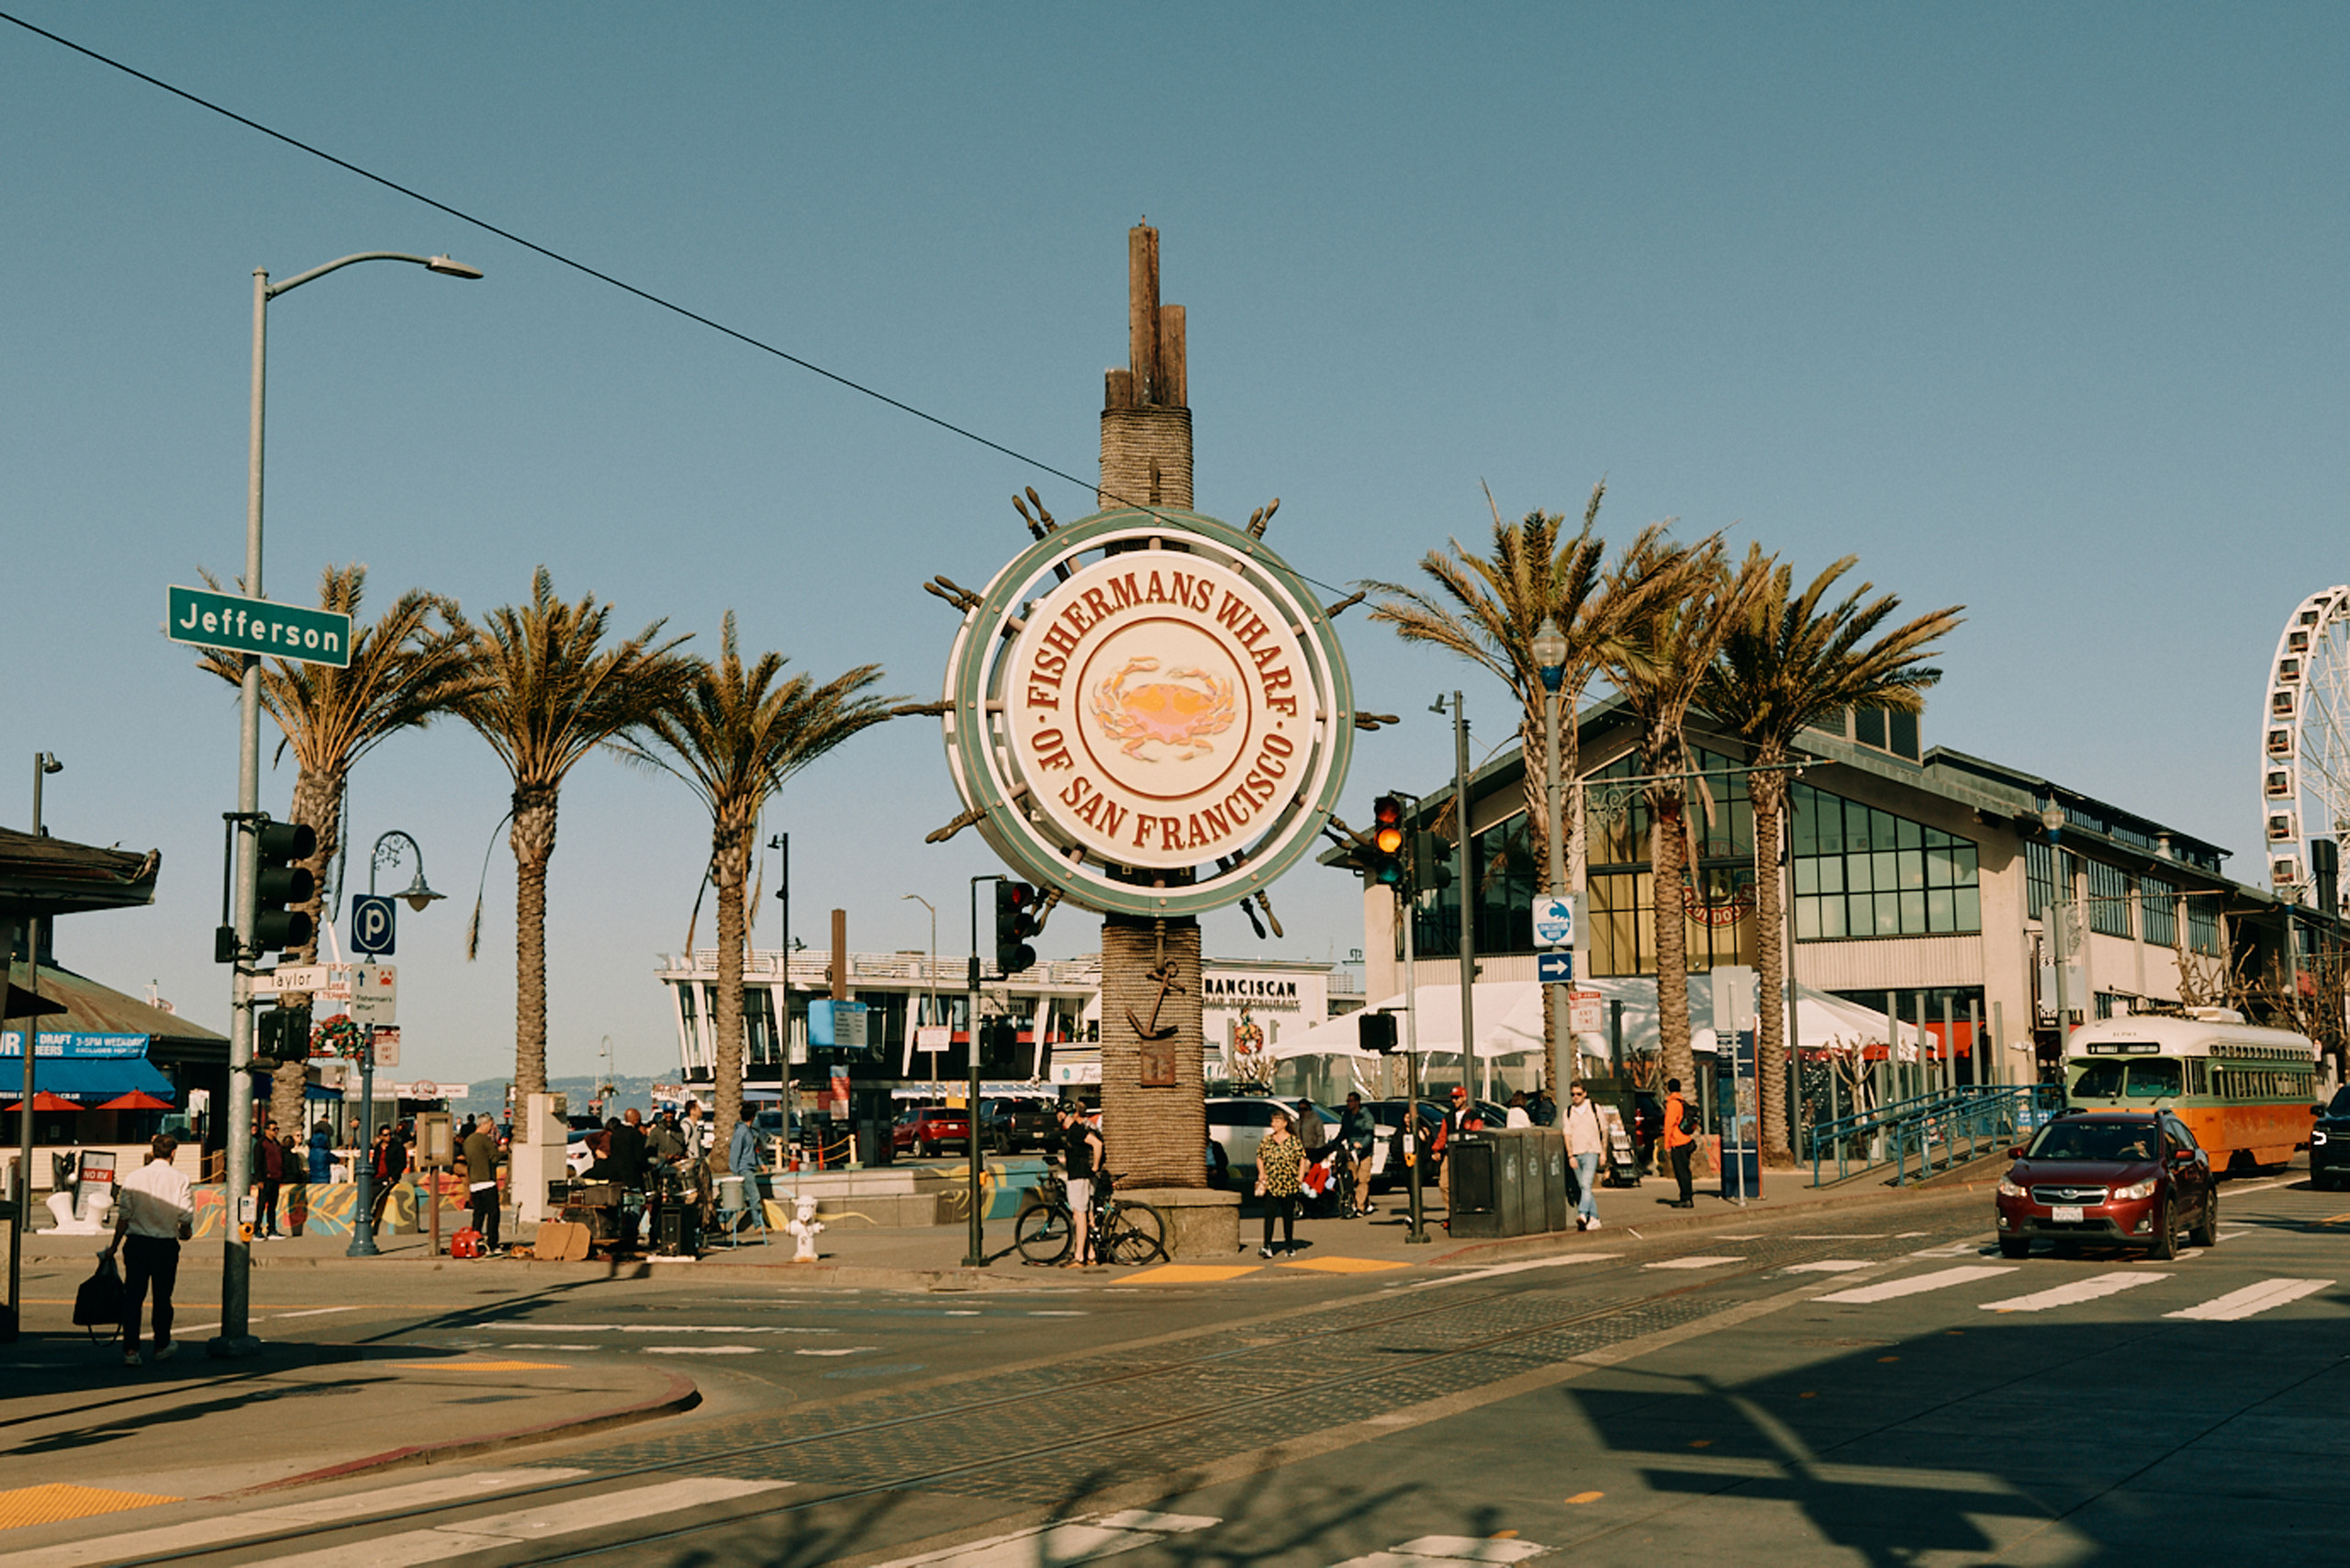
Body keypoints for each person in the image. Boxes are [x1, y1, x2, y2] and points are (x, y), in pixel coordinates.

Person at [110, 1133, 194, 1367]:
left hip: (137, 1242)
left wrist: (114, 1246)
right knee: (162, 1296)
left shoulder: (134, 1177)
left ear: (152, 1150)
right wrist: (185, 1231)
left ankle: (130, 1350)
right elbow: (185, 1214)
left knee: (134, 1296)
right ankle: (161, 1344)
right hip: (165, 1243)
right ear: (173, 1153)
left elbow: (124, 1216)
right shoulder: (180, 1178)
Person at [1055, 1101, 1104, 1267]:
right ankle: (1091, 1254)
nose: (1056, 1116)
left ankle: (1079, 1257)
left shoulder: (1075, 1130)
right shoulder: (1073, 1131)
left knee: (1080, 1216)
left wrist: (1095, 1166)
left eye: (1057, 1112)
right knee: (1082, 1215)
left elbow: (1097, 1144)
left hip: (1080, 1177)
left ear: (1063, 1113)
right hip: (1079, 1175)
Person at [1255, 1106, 1307, 1257]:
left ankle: (1289, 1245)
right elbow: (1260, 1157)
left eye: (1277, 1121)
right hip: (1271, 1183)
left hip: (1288, 1182)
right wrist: (1262, 1173)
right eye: (1272, 1121)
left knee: (1288, 1215)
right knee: (1269, 1214)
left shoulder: (1293, 1141)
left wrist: (1300, 1177)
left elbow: (1302, 1159)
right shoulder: (1267, 1141)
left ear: (1285, 1123)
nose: (1274, 1124)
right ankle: (1267, 1245)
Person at [1562, 1081, 1606, 1230]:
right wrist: (1570, 1155)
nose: (1575, 1097)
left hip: (1591, 1150)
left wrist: (1603, 1152)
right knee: (1583, 1187)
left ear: (1585, 1094)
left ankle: (1582, 1213)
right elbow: (1567, 1134)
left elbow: (1604, 1131)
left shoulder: (1595, 1109)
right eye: (1573, 1094)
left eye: (1578, 1094)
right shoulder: (1568, 1111)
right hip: (1576, 1152)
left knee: (1586, 1184)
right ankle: (1594, 1217)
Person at [461, 1114, 502, 1252]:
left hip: (474, 1183)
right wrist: (502, 1150)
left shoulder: (468, 1141)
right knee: (493, 1213)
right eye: (490, 1125)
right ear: (484, 1124)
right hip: (487, 1182)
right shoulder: (485, 1140)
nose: (491, 1129)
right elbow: (495, 1158)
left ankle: (476, 1240)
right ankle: (492, 1243)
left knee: (478, 1214)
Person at [1337, 1092, 1378, 1217]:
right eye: (1347, 1101)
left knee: (1363, 1179)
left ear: (1357, 1102)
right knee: (1352, 1179)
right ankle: (1366, 1202)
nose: (1348, 1103)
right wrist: (1335, 1142)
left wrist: (1362, 1144)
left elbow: (1370, 1134)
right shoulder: (1346, 1115)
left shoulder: (1366, 1115)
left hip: (1364, 1152)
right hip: (1351, 1151)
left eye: (1351, 1101)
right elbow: (1343, 1132)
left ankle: (1360, 1208)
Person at [1660, 1077, 1696, 1209]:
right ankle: (1687, 1197)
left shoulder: (1672, 1104)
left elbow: (1669, 1125)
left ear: (1668, 1088)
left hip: (1677, 1142)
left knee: (1681, 1172)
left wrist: (1667, 1145)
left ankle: (1686, 1198)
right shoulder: (1681, 1101)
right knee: (1685, 1171)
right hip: (1686, 1140)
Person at [254, 1119, 286, 1238]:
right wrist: (259, 1179)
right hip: (266, 1178)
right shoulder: (261, 1144)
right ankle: (257, 1228)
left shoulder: (276, 1144)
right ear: (267, 1130)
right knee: (262, 1205)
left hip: (276, 1178)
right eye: (273, 1129)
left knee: (273, 1205)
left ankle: (271, 1229)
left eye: (277, 1129)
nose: (276, 1132)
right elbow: (257, 1162)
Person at [308, 1118, 335, 1185]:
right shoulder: (325, 1152)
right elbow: (335, 1159)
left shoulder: (311, 1151)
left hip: (313, 1178)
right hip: (324, 1178)